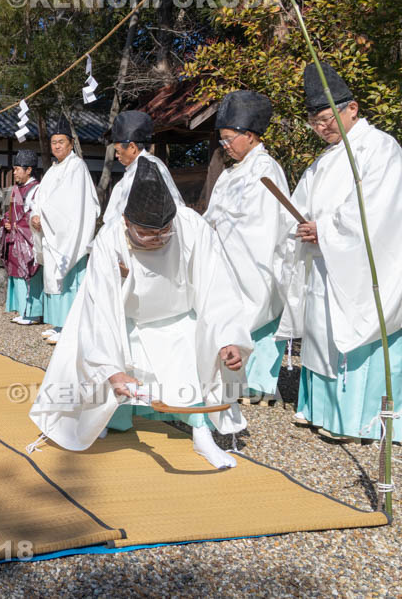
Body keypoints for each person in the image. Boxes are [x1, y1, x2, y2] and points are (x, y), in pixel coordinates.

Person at [30, 158, 252, 469]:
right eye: (147, 234)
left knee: (196, 352)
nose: (158, 239)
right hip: (125, 321)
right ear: (127, 221)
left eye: (164, 231)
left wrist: (228, 339)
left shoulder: (191, 227)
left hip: (179, 319)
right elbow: (100, 311)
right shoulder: (110, 240)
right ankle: (110, 420)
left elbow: (218, 287)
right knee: (111, 369)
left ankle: (202, 434)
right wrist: (111, 369)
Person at [279, 62, 402, 441]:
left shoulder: (380, 148)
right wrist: (301, 227)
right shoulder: (321, 163)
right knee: (320, 336)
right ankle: (319, 410)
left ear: (352, 109)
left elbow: (375, 208)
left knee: (354, 331)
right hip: (323, 265)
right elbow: (299, 204)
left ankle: (358, 422)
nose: (323, 126)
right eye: (315, 120)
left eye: (329, 116)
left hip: (363, 268)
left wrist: (326, 229)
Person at [203, 91, 293, 402]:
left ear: (250, 136)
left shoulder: (265, 169)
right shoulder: (231, 173)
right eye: (222, 139)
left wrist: (225, 228)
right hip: (229, 258)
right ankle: (235, 381)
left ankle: (259, 385)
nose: (225, 145)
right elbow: (214, 215)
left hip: (256, 260)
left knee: (258, 311)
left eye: (229, 138)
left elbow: (265, 224)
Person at [28, 118, 100, 345]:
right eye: (53, 143)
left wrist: (46, 215)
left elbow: (70, 204)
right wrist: (36, 215)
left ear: (70, 144)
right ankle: (59, 323)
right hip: (52, 232)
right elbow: (40, 199)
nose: (57, 146)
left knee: (69, 280)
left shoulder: (76, 166)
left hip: (69, 236)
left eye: (61, 142)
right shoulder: (52, 170)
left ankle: (71, 325)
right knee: (56, 280)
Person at [102, 110, 184, 224]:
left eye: (118, 151)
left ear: (132, 147)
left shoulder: (150, 169)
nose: (116, 155)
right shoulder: (135, 169)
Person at [0, 149, 43, 325]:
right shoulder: (16, 189)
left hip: (28, 238)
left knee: (31, 273)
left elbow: (35, 214)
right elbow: (11, 212)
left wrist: (18, 225)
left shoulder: (37, 189)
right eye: (15, 168)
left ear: (29, 170)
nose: (15, 172)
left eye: (18, 169)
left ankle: (34, 313)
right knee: (16, 275)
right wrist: (7, 222)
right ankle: (23, 310)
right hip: (15, 237)